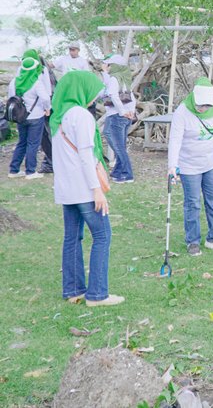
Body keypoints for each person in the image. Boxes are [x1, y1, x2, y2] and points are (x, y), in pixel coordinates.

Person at [51, 70, 124, 307]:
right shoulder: (81, 116)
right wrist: (96, 189)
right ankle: (97, 294)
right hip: (84, 188)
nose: (95, 97)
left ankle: (73, 290)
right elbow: (84, 154)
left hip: (67, 189)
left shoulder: (57, 117)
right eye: (93, 91)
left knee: (72, 237)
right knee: (102, 236)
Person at [168, 78, 213, 257]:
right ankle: (193, 241)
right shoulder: (182, 112)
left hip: (210, 163)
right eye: (199, 105)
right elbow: (175, 139)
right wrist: (172, 165)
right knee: (193, 203)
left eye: (205, 106)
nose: (202, 109)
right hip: (189, 166)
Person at [7, 49, 51, 179]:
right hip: (36, 116)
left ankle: (13, 170)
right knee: (33, 144)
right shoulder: (36, 82)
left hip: (20, 116)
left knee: (22, 142)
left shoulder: (14, 82)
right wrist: (47, 108)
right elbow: (45, 98)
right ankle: (30, 171)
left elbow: (11, 98)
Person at [101, 54, 136, 183]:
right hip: (124, 115)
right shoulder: (124, 79)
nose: (108, 67)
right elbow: (132, 97)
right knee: (119, 144)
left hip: (116, 116)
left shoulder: (115, 79)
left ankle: (127, 174)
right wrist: (131, 111)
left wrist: (122, 112)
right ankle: (117, 172)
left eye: (109, 65)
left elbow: (112, 95)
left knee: (118, 146)